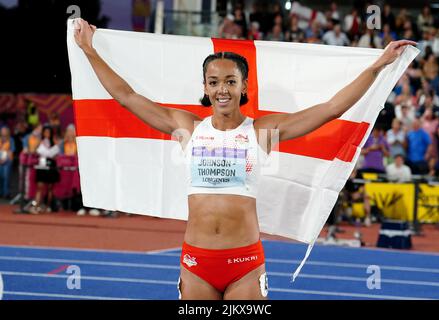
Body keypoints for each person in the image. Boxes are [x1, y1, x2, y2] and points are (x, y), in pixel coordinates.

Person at [74, 18, 415, 300]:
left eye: (230, 81)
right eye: (214, 82)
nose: (222, 89)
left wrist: (377, 66)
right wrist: (89, 50)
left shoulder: (263, 131)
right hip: (196, 262)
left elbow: (331, 108)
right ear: (205, 89)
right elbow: (126, 95)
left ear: (243, 86)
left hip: (245, 264)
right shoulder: (185, 128)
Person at [29, 125, 61, 214]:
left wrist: (52, 152)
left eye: (48, 132)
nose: (46, 134)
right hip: (41, 166)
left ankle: (47, 207)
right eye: (45, 132)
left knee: (50, 188)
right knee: (39, 187)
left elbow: (55, 155)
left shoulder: (54, 142)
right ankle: (36, 206)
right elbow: (34, 151)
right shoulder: (40, 141)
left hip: (51, 167)